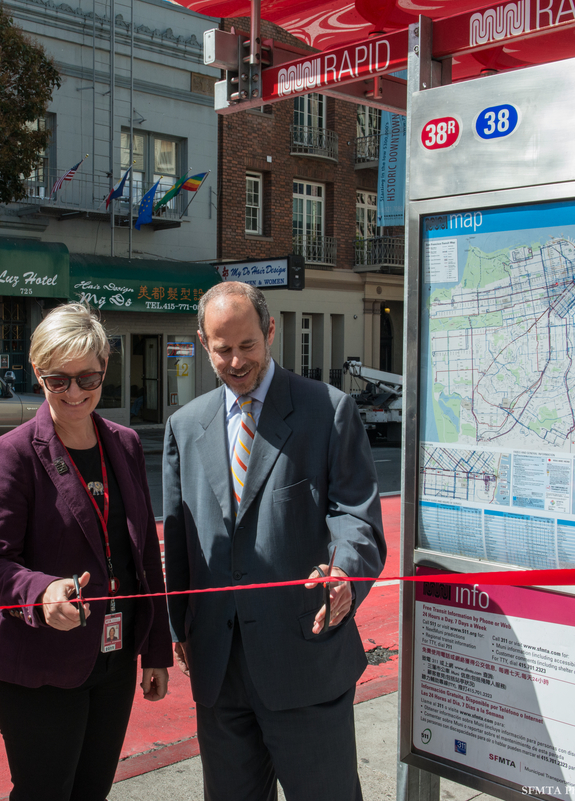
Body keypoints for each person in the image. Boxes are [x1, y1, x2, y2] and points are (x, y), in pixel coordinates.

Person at [162, 282, 386, 801]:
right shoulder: (185, 426)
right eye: (222, 349)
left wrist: (344, 574)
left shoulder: (326, 411)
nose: (236, 361)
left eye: (248, 345)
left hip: (303, 661)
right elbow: (178, 538)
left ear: (270, 332)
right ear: (203, 343)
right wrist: (179, 628)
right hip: (219, 668)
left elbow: (356, 517)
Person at [0, 302, 172, 801]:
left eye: (89, 378)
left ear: (106, 370)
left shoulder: (123, 444)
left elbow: (145, 556)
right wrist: (41, 592)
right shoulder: (11, 454)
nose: (76, 392)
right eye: (59, 380)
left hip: (114, 662)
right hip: (40, 670)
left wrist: (156, 650)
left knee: (92, 792)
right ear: (38, 373)